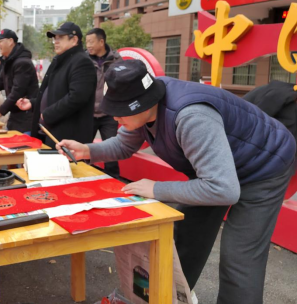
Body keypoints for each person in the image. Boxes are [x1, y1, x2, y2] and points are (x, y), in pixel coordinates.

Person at [57, 60, 296, 304]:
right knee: (184, 236)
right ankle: (166, 298)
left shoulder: (192, 117)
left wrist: (157, 189)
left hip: (264, 165)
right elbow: (123, 144)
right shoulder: (143, 106)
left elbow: (223, 189)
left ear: (144, 102)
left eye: (121, 111)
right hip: (218, 170)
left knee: (239, 256)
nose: (115, 117)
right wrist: (87, 150)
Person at [16, 22, 97, 145]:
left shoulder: (82, 62)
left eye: (60, 38)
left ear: (74, 40)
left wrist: (48, 114)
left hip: (68, 138)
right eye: (55, 38)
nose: (56, 42)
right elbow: (53, 93)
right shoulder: (60, 60)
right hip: (49, 133)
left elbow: (77, 98)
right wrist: (33, 103)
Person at [86, 27, 123, 177]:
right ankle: (82, 182)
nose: (88, 45)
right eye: (86, 42)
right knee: (84, 152)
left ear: (101, 42)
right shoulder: (84, 60)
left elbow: (122, 85)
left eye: (91, 42)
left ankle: (114, 183)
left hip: (109, 114)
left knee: (111, 154)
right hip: (87, 114)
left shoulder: (116, 60)